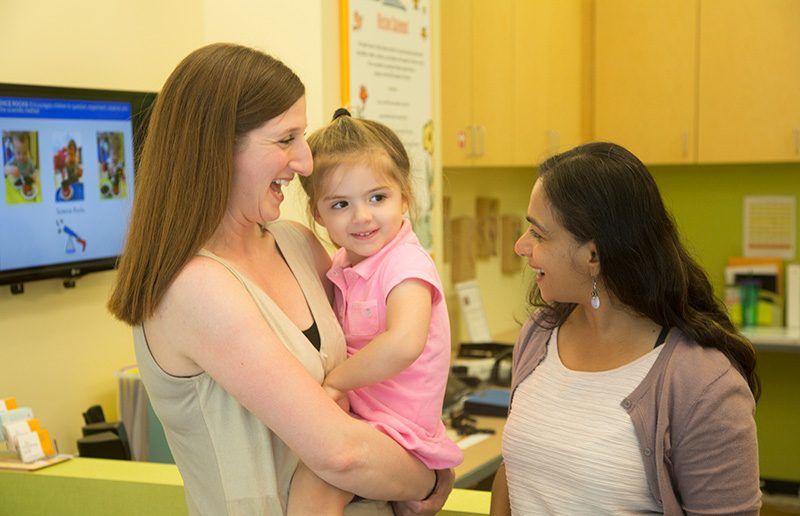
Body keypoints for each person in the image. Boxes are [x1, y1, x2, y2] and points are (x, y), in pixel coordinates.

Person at [108, 43, 451, 515]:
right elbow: (342, 453)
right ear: (216, 148)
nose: (307, 163)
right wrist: (429, 476)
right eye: (286, 139)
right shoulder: (195, 287)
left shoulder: (298, 245)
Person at [490, 142, 761, 515]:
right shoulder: (539, 334)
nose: (522, 246)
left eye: (539, 234)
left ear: (594, 255)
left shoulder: (703, 384)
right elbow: (515, 472)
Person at [288, 111, 462, 515]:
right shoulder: (346, 263)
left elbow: (403, 343)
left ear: (404, 196)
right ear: (318, 214)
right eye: (340, 204)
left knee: (319, 482)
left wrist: (335, 382)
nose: (362, 216)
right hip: (369, 418)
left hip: (400, 429)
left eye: (377, 198)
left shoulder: (406, 265)